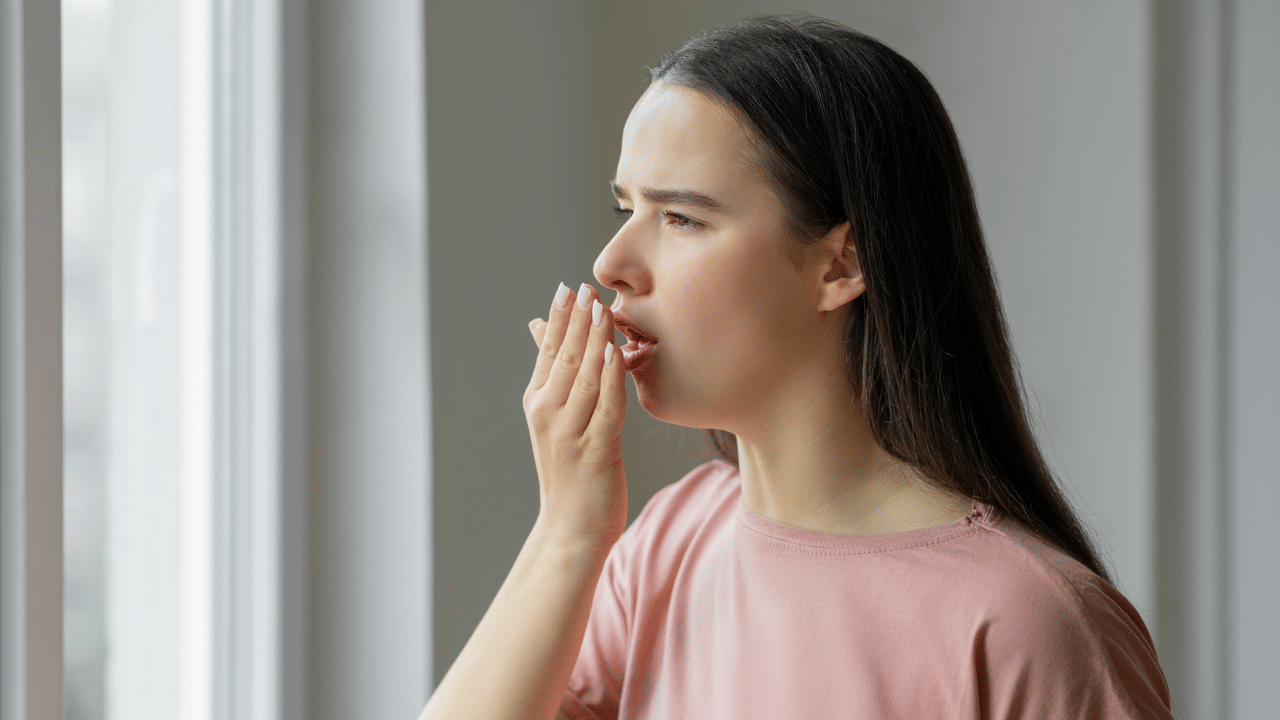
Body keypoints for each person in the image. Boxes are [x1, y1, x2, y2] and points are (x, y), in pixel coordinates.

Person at [419, 14, 1174, 720]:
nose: (611, 263)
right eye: (627, 211)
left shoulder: (1030, 627)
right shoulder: (671, 542)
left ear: (842, 264)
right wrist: (567, 532)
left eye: (681, 218)